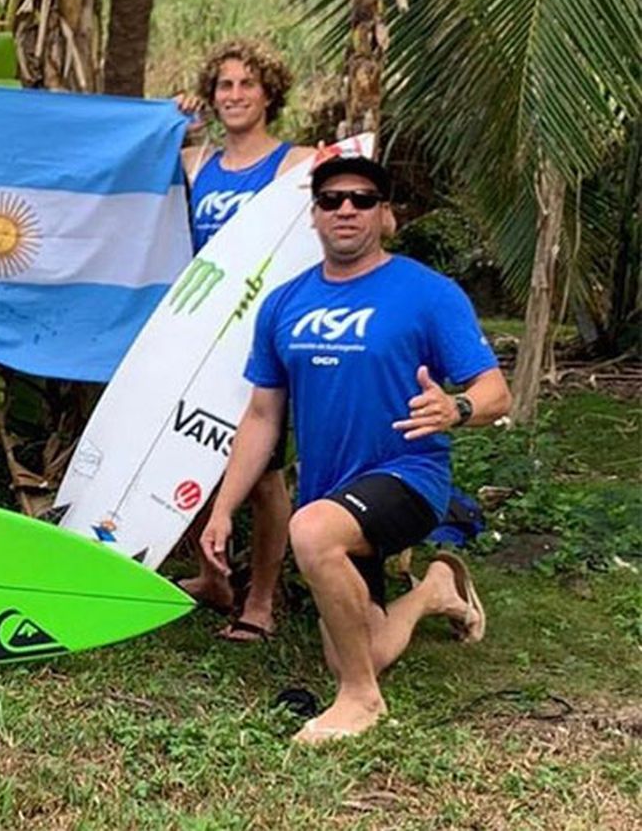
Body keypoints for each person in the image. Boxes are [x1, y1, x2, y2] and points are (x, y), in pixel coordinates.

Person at [200, 155, 510, 742]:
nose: (346, 208)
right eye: (332, 199)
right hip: (330, 492)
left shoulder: (427, 294)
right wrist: (221, 511)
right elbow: (263, 415)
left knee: (312, 531)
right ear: (314, 216)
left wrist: (457, 408)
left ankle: (361, 702)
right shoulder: (283, 305)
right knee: (354, 648)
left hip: (408, 476)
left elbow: (496, 392)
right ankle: (435, 591)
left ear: (385, 215)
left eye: (363, 199)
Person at [170, 40, 316, 642]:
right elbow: (125, 159)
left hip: (268, 335)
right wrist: (169, 117)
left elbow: (354, 196)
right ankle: (213, 578)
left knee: (260, 475)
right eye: (223, 86)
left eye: (246, 86)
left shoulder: (296, 163)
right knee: (197, 448)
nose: (233, 95)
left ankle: (260, 600)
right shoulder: (194, 163)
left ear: (268, 96)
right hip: (203, 333)